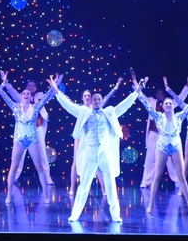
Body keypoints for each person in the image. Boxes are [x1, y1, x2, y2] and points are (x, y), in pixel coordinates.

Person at [49, 75, 137, 223]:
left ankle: (116, 215)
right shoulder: (84, 112)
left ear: (102, 101)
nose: (96, 101)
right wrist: (56, 91)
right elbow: (68, 106)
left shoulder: (109, 112)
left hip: (105, 153)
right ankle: (75, 214)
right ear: (91, 101)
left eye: (99, 99)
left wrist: (136, 92)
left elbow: (124, 105)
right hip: (90, 152)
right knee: (84, 185)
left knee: (111, 184)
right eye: (94, 99)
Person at [136, 77, 188, 215]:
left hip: (176, 147)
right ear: (163, 106)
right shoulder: (158, 116)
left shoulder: (179, 116)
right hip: (162, 147)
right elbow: (145, 103)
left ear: (173, 105)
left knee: (181, 177)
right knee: (157, 176)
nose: (169, 105)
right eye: (167, 104)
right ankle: (151, 204)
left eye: (170, 103)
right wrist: (139, 88)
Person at [0, 72, 56, 203]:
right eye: (24, 93)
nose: (26, 94)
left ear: (30, 95)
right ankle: (9, 195)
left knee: (40, 168)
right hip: (19, 140)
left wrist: (53, 85)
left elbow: (47, 97)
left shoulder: (36, 107)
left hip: (32, 140)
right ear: (21, 96)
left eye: (28, 93)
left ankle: (46, 194)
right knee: (13, 167)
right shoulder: (16, 107)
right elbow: (3, 95)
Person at [140, 82, 183, 193]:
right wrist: (135, 83)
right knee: (150, 158)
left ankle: (177, 181)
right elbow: (141, 96)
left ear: (164, 95)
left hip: (165, 136)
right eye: (158, 93)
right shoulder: (151, 101)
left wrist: (187, 86)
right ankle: (146, 181)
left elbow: (180, 98)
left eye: (161, 93)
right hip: (153, 133)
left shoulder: (169, 103)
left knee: (170, 159)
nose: (159, 95)